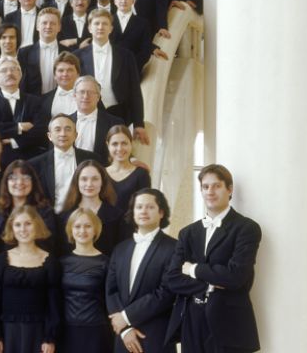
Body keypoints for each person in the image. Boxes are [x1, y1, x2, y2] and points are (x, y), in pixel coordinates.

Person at [164, 165, 262, 353]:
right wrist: (210, 285)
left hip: (229, 324)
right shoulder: (187, 233)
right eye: (205, 186)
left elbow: (236, 277)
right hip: (191, 321)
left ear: (229, 189)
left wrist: (193, 269)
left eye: (217, 186)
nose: (210, 191)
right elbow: (172, 278)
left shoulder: (246, 228)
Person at [106, 188, 177, 353]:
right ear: (133, 212)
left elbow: (166, 292)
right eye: (139, 207)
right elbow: (111, 291)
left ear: (161, 212)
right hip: (123, 336)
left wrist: (126, 317)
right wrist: (125, 329)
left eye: (150, 207)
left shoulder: (175, 248)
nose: (143, 211)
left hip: (155, 336)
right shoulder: (120, 249)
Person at [0, 205, 62, 353]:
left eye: (28, 223)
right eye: (17, 224)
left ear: (37, 225)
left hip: (38, 333)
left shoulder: (50, 261)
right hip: (8, 332)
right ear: (12, 228)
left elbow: (53, 302)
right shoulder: (1, 260)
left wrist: (50, 338)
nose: (23, 229)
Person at [74, 9, 148, 144]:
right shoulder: (77, 56)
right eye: (96, 23)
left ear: (111, 28)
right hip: (88, 113)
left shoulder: (126, 55)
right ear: (89, 28)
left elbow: (135, 91)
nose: (100, 27)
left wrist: (139, 123)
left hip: (120, 115)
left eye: (105, 24)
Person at [59, 208, 112, 353]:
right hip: (66, 331)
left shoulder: (106, 262)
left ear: (95, 230)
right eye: (77, 226)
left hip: (96, 330)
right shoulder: (61, 262)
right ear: (71, 230)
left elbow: (111, 300)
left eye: (88, 226)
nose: (82, 231)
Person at [0, 56, 49, 164]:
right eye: (4, 70)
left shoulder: (35, 101)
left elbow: (40, 130)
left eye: (13, 69)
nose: (9, 73)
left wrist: (14, 141)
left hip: (31, 158)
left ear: (20, 74)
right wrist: (19, 127)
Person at [0, 160, 60, 256]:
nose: (20, 182)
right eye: (13, 178)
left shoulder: (45, 212)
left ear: (33, 182)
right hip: (0, 263)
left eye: (26, 178)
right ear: (6, 182)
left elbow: (49, 246)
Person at [28, 113, 100, 212]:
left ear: (76, 135)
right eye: (58, 130)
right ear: (49, 136)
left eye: (68, 129)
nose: (63, 134)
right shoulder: (35, 165)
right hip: (50, 217)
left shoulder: (92, 159)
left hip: (84, 215)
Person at [60, 159, 126, 256]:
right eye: (84, 179)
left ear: (102, 182)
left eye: (95, 179)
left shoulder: (117, 216)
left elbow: (121, 252)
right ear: (77, 182)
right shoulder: (64, 216)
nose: (89, 184)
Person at [69, 76, 125, 164]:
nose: (85, 96)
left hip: (103, 170)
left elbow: (121, 150)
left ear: (98, 97)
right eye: (82, 92)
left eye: (90, 92)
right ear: (75, 96)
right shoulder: (64, 122)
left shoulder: (114, 123)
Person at [18, 7, 72, 96]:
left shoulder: (70, 53)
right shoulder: (24, 53)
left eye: (53, 23)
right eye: (44, 23)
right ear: (37, 26)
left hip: (60, 100)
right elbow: (21, 84)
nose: (48, 26)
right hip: (33, 101)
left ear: (59, 27)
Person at [111, 0, 168, 69]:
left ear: (133, 1)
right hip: (108, 70)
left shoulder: (143, 23)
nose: (123, 1)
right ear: (115, 1)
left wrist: (130, 67)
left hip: (133, 71)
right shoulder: (106, 22)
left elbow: (145, 51)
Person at [105, 124, 151, 214]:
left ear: (131, 144)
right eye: (115, 144)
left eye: (124, 143)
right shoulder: (100, 173)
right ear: (108, 145)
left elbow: (145, 208)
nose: (119, 148)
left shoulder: (141, 174)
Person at [40, 51, 81, 116]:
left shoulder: (89, 97)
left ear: (78, 74)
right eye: (61, 70)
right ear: (54, 75)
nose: (65, 74)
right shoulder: (43, 100)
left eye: (70, 70)